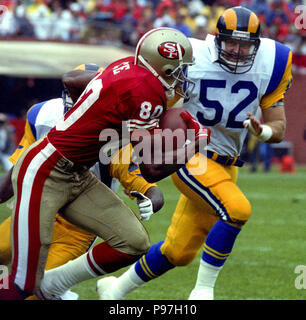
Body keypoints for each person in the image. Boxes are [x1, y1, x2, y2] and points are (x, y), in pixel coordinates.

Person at [95, 6, 293, 300]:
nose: (238, 51)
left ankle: (113, 290)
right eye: (231, 43)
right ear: (216, 39)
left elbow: (278, 127)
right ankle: (202, 292)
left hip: (227, 164)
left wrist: (261, 131)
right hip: (191, 154)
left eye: (245, 45)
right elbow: (149, 90)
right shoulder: (192, 57)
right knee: (237, 210)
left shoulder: (275, 60)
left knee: (178, 251)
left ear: (257, 44)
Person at [0, 27, 209, 300]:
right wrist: (194, 146)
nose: (182, 77)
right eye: (178, 69)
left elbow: (71, 79)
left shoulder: (126, 66)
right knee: (22, 283)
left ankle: (54, 284)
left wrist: (92, 113)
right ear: (163, 67)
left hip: (78, 174)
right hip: (46, 171)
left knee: (134, 243)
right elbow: (151, 169)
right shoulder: (147, 93)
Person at [0, 64, 164, 300]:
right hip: (39, 203)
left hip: (78, 227)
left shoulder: (114, 132)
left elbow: (143, 183)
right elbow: (15, 174)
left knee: (31, 293)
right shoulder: (43, 114)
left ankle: (57, 291)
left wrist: (151, 195)